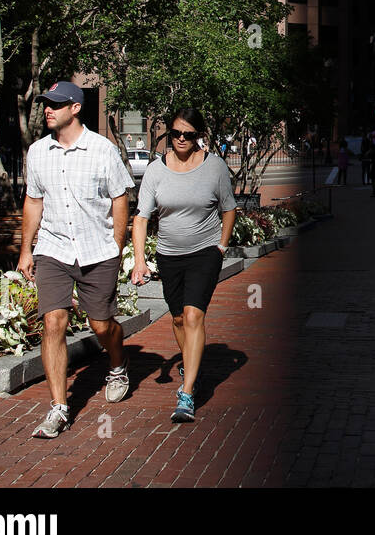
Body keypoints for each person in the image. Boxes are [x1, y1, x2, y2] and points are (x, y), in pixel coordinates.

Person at [18, 81, 135, 439]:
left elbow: (120, 199)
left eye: (55, 104)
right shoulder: (38, 152)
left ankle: (117, 364)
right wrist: (26, 249)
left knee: (101, 325)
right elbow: (34, 201)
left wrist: (116, 247)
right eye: (45, 104)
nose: (47, 109)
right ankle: (59, 407)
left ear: (76, 108)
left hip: (97, 250)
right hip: (53, 249)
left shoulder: (103, 150)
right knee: (53, 322)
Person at [131, 109, 237, 423]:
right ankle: (191, 362)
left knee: (193, 315)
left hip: (205, 252)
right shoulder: (155, 170)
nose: (180, 139)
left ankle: (187, 392)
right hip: (168, 254)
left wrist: (221, 245)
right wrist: (139, 260)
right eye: (176, 133)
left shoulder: (214, 167)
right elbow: (141, 217)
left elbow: (229, 209)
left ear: (198, 136)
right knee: (178, 318)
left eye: (188, 135)